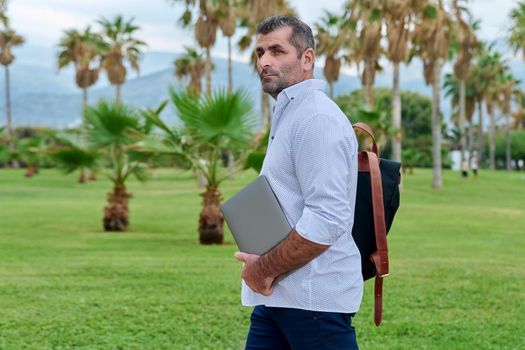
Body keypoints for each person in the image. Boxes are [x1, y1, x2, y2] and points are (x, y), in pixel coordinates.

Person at [234, 15, 362, 349]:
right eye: (260, 52)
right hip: (279, 298)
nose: (264, 61)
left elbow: (328, 218)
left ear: (307, 59)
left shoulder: (317, 118)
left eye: (277, 51)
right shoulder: (290, 111)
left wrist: (262, 269)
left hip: (313, 302)